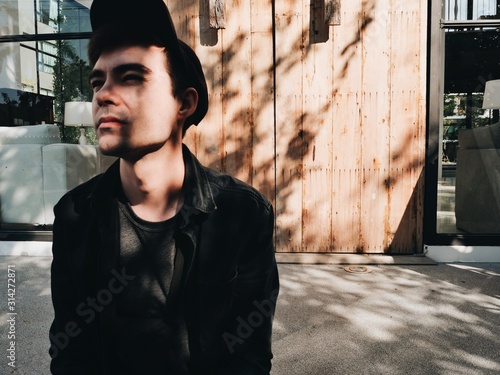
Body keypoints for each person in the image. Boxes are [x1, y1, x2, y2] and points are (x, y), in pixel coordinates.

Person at [48, 0, 279, 373]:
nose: (103, 94)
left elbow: (249, 355)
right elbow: (70, 349)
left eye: (131, 77)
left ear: (184, 102)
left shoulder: (242, 214)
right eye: (97, 81)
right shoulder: (76, 215)